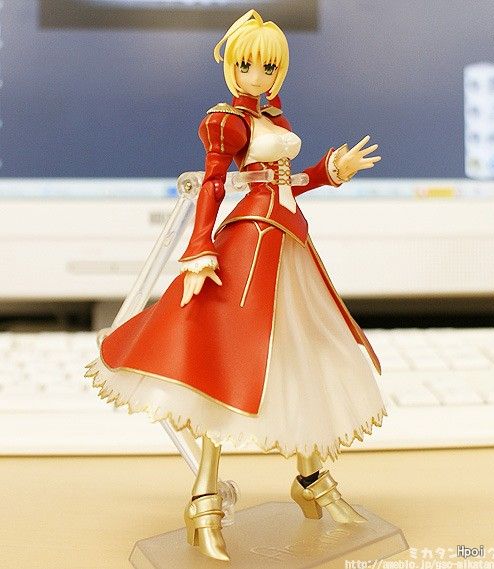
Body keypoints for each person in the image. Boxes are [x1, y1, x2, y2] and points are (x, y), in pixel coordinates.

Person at [85, 9, 387, 562]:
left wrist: (330, 172)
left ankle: (311, 478)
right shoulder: (225, 122)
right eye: (247, 65)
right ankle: (205, 498)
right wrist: (200, 246)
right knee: (226, 363)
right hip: (248, 245)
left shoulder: (271, 115)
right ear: (232, 67)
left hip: (287, 243)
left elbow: (283, 182)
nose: (257, 75)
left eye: (268, 66)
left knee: (300, 356)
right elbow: (213, 185)